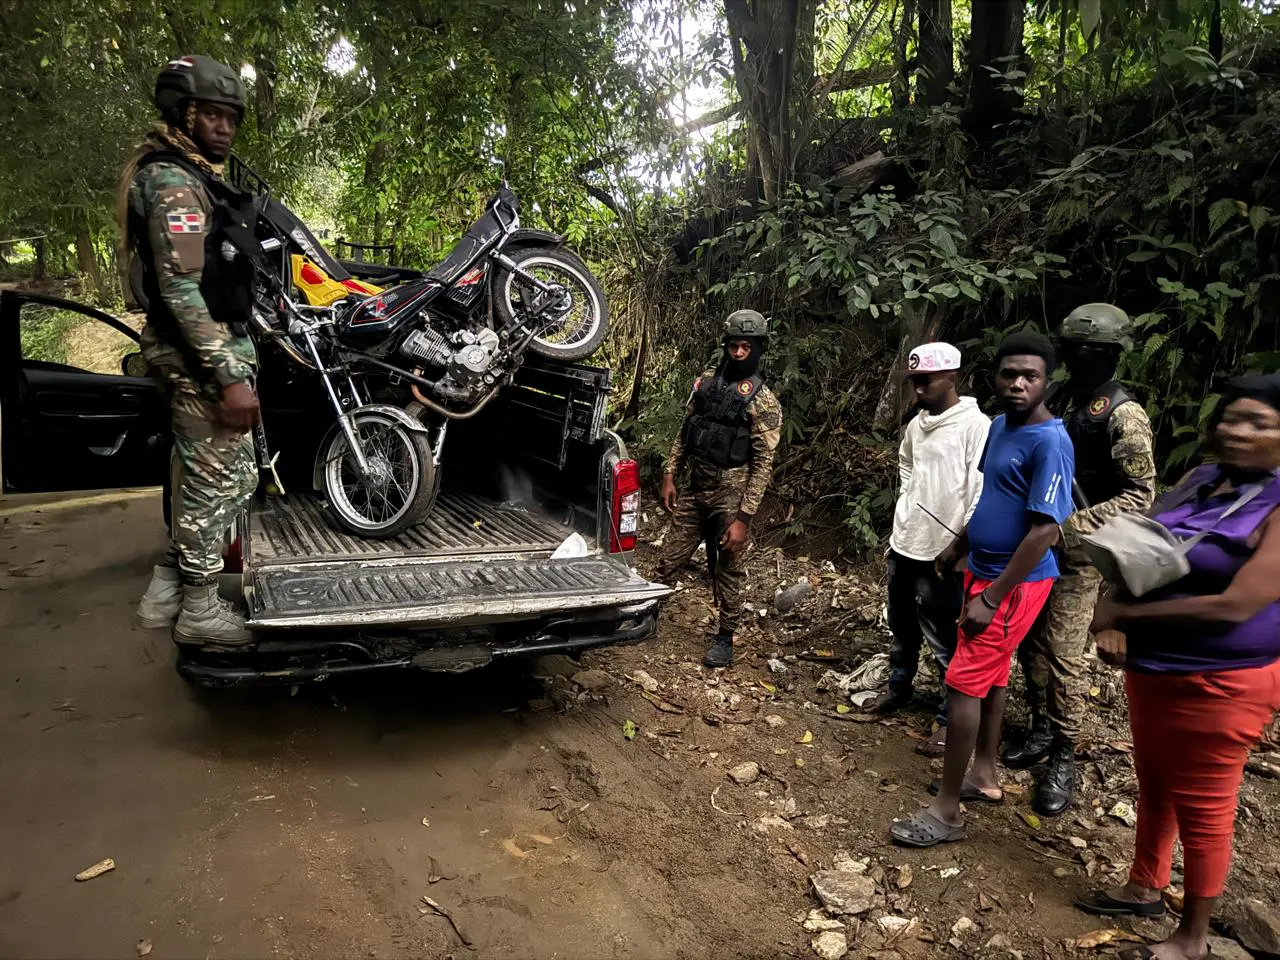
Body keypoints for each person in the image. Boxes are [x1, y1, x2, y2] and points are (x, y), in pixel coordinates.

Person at [1075, 372, 1280, 960]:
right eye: (1232, 418)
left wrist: (1126, 618)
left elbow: (1238, 603)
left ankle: (1191, 938)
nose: (1237, 431)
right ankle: (1144, 885)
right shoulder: (1201, 478)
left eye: (1258, 423)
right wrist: (1110, 615)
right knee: (1157, 779)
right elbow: (1136, 547)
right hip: (1157, 664)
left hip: (1224, 678)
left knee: (1206, 804)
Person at [889, 331, 1075, 848]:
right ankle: (984, 774)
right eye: (1009, 374)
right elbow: (993, 498)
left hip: (1014, 584)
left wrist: (993, 597)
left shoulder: (1051, 442)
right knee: (991, 678)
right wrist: (959, 547)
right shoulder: (998, 427)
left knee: (963, 681)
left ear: (1047, 383)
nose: (1018, 384)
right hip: (981, 566)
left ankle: (946, 811)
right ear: (993, 378)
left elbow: (1045, 529)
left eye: (1030, 376)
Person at [122, 56, 263, 646]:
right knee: (215, 479)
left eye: (231, 116)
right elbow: (182, 292)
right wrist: (230, 375)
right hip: (197, 359)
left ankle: (171, 586)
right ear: (183, 113)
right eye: (212, 114)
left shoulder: (191, 174)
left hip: (197, 353)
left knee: (200, 474)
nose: (225, 127)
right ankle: (201, 609)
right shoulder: (175, 183)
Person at [1008, 304, 1156, 816]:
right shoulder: (1062, 398)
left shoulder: (1123, 413)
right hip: (1035, 546)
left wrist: (1069, 528)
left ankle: (1067, 752)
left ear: (1110, 355)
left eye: (1085, 351)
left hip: (1081, 554)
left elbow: (1140, 496)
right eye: (1069, 349)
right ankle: (1041, 729)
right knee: (1028, 642)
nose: (1074, 358)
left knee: (1065, 652)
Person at [867, 342, 990, 759]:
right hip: (906, 540)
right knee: (901, 623)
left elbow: (980, 488)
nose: (919, 389)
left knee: (944, 636)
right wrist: (909, 501)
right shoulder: (917, 426)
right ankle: (898, 687)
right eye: (915, 381)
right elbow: (906, 463)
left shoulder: (976, 426)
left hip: (945, 549)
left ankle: (946, 717)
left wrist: (961, 541)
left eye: (927, 381)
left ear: (952, 378)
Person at [658, 309, 783, 667]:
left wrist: (743, 518)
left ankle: (725, 638)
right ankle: (645, 614)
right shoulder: (705, 384)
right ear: (725, 346)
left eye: (747, 347)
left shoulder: (764, 401)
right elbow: (686, 433)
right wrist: (670, 475)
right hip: (696, 487)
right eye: (734, 346)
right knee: (670, 558)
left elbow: (762, 465)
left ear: (758, 349)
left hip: (731, 492)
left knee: (729, 569)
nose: (739, 353)